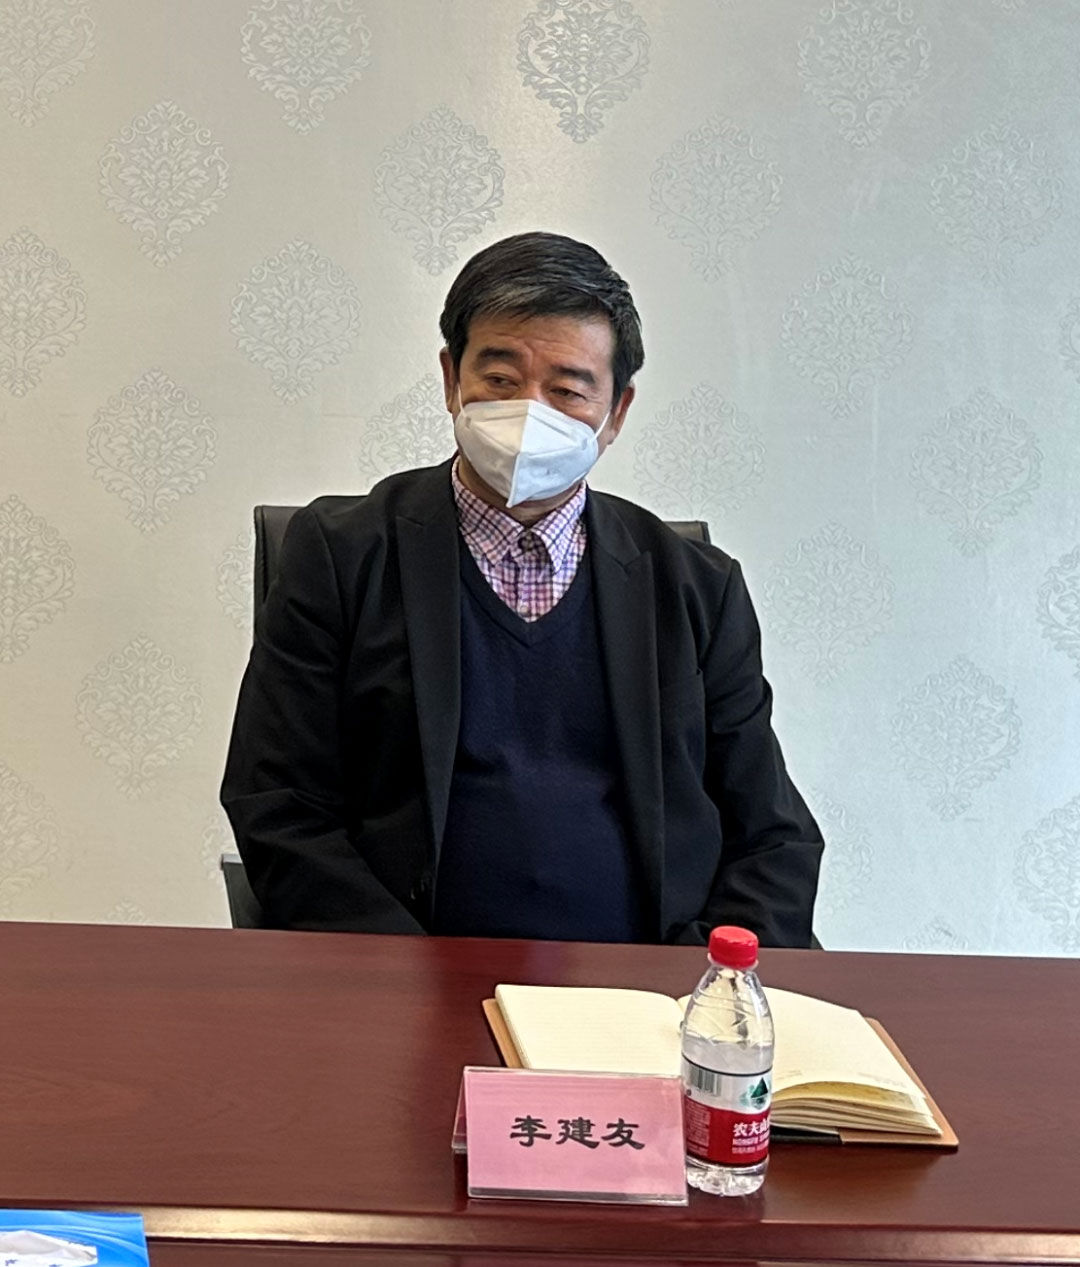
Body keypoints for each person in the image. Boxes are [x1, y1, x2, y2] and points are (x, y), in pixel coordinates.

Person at [221, 231, 823, 945]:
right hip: (405, 976)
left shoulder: (697, 588)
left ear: (617, 412)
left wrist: (692, 981)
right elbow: (279, 804)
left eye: (567, 390)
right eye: (501, 380)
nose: (530, 414)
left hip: (643, 985)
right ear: (452, 378)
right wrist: (402, 976)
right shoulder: (341, 555)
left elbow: (773, 837)